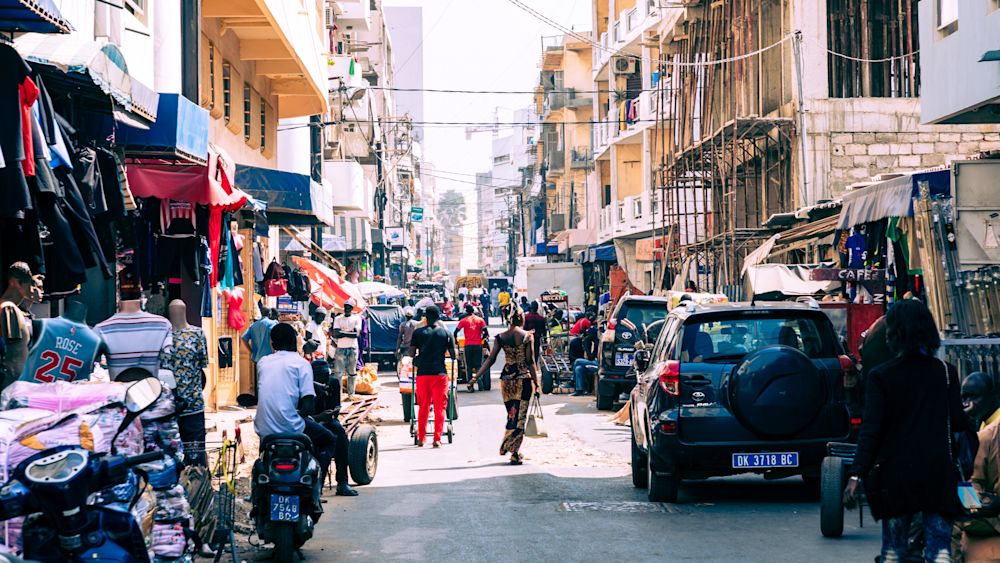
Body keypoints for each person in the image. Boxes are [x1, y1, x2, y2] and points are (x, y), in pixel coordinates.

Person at [844, 299, 973, 562]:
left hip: (895, 479)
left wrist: (857, 474)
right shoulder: (945, 373)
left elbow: (872, 430)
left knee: (894, 552)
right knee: (940, 551)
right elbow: (960, 425)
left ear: (895, 334)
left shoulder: (881, 376)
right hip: (938, 475)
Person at [255, 323, 356, 497]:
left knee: (264, 452)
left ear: (272, 343)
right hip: (293, 425)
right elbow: (307, 406)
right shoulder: (301, 364)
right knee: (330, 438)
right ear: (296, 342)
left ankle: (257, 490)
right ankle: (317, 487)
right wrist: (302, 415)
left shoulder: (263, 363)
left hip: (263, 428)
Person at [469, 305, 539, 465]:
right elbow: (530, 362)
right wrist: (537, 383)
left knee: (512, 414)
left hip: (507, 381)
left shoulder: (501, 337)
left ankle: (512, 446)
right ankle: (512, 450)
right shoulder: (528, 336)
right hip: (523, 379)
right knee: (520, 417)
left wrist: (475, 377)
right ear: (521, 318)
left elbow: (490, 359)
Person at [94, 289, 173, 381]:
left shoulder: (101, 329)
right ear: (141, 296)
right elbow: (168, 357)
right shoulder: (163, 324)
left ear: (118, 295)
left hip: (118, 392)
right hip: (150, 392)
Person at [167, 299, 209, 466]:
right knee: (171, 456)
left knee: (195, 455)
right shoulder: (162, 335)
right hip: (168, 407)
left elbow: (202, 364)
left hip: (192, 405)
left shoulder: (197, 334)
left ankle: (198, 488)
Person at [408, 306, 455, 448]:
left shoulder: (418, 333)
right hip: (439, 374)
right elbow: (453, 356)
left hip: (423, 374)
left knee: (424, 406)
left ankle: (421, 438)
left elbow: (410, 353)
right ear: (439, 317)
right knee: (440, 407)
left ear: (425, 318)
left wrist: (419, 353)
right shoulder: (446, 333)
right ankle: (437, 439)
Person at [0, 262, 40, 388]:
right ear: (15, 282)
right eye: (29, 283)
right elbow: (13, 354)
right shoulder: (8, 309)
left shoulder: (15, 310)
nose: (32, 288)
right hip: (11, 385)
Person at [331, 299, 363, 397]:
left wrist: (342, 332)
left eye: (349, 307)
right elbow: (335, 334)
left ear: (352, 308)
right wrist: (350, 332)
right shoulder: (338, 319)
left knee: (352, 372)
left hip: (352, 348)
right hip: (341, 348)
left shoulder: (357, 319)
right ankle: (338, 395)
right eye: (345, 306)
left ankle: (351, 394)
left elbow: (356, 334)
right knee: (338, 373)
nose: (347, 308)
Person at [456, 304, 488, 392]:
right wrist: (481, 338)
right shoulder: (480, 320)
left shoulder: (463, 320)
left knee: (469, 367)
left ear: (466, 311)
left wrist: (456, 341)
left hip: (468, 346)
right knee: (478, 366)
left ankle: (471, 387)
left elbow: (456, 332)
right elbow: (486, 332)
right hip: (478, 345)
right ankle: (480, 383)